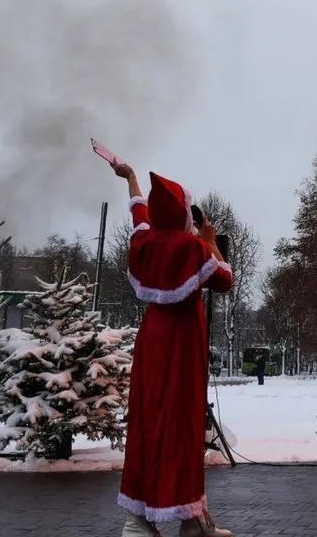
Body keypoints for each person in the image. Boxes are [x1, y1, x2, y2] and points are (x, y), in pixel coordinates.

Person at [110, 160, 235, 537]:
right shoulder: (193, 248)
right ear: (184, 213)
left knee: (148, 422)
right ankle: (190, 521)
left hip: (151, 344)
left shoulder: (144, 244)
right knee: (182, 426)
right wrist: (210, 238)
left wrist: (131, 178)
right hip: (182, 347)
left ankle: (138, 521)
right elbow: (225, 279)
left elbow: (139, 215)